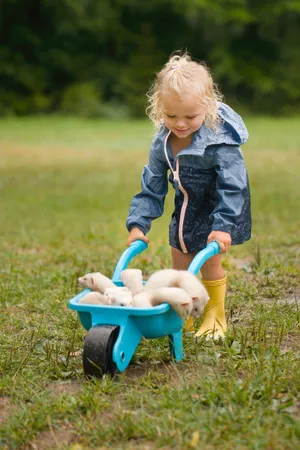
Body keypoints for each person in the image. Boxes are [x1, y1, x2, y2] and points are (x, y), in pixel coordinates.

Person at [125, 52, 251, 339]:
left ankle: (215, 315)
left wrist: (223, 227)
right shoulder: (163, 143)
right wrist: (138, 225)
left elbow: (234, 186)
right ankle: (185, 314)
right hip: (186, 207)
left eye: (190, 116)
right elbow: (152, 186)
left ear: (207, 108)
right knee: (180, 259)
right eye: (171, 116)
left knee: (209, 261)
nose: (180, 123)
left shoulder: (219, 142)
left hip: (219, 206)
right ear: (158, 109)